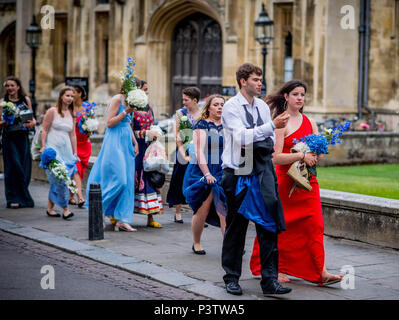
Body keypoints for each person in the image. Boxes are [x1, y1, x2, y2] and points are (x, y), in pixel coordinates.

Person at [249, 80, 344, 286]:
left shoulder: (311, 122)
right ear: (286, 97)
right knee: (280, 226)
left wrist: (315, 156)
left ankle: (321, 272)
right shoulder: (280, 122)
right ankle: (270, 266)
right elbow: (274, 157)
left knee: (315, 225)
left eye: (302, 94)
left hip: (308, 182)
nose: (300, 98)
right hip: (285, 182)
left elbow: (316, 152)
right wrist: (301, 155)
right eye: (295, 94)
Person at [220, 63, 291, 296]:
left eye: (260, 79)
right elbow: (241, 137)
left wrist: (265, 130)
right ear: (242, 81)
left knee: (268, 226)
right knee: (236, 228)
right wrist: (270, 126)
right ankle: (231, 278)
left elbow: (267, 139)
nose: (260, 83)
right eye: (255, 79)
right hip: (238, 172)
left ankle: (270, 281)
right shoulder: (231, 107)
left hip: (261, 171)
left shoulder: (261, 106)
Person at [86, 88, 139, 232]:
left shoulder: (132, 101)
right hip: (114, 141)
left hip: (126, 141)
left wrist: (135, 142)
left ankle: (123, 219)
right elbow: (109, 123)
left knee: (128, 183)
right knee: (120, 180)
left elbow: (128, 123)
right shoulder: (117, 99)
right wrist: (126, 111)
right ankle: (97, 210)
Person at [182, 94, 227, 255]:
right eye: (216, 104)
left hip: (222, 170)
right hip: (203, 170)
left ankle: (230, 246)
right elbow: (199, 152)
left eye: (222, 104)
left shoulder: (228, 125)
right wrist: (207, 173)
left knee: (224, 210)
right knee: (203, 209)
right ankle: (196, 242)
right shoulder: (202, 125)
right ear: (208, 107)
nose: (220, 107)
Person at [40, 87, 78, 220]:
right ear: (61, 96)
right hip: (53, 149)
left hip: (66, 150)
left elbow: (72, 135)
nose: (70, 98)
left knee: (58, 180)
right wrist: (44, 146)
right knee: (60, 178)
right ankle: (66, 210)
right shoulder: (52, 111)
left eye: (72, 96)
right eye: (68, 95)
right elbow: (44, 129)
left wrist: (75, 152)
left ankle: (50, 208)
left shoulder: (72, 114)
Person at [132, 79, 164, 228]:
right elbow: (128, 131)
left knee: (151, 179)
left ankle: (151, 218)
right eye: (145, 89)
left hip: (149, 150)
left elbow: (153, 124)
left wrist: (155, 132)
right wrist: (144, 133)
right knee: (134, 181)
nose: (147, 92)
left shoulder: (149, 108)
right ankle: (120, 216)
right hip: (136, 149)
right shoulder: (130, 109)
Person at [0, 76, 36, 209]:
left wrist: (31, 124)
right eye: (7, 86)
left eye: (12, 85)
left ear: (18, 87)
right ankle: (12, 198)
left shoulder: (25, 100)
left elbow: (32, 120)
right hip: (9, 137)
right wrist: (6, 121)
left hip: (22, 137)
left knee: (24, 167)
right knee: (12, 167)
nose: (10, 88)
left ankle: (24, 197)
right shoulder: (3, 102)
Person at [166, 87, 201, 223]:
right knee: (178, 178)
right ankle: (178, 211)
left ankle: (197, 214)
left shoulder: (203, 114)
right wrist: (184, 155)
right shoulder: (180, 114)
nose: (184, 102)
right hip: (183, 150)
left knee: (198, 182)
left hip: (199, 151)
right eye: (183, 99)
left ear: (194, 100)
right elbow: (177, 136)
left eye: (186, 100)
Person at [69, 85, 90, 207]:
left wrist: (90, 128)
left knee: (79, 171)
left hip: (85, 143)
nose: (71, 95)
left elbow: (93, 124)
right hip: (73, 142)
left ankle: (71, 197)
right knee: (76, 169)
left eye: (73, 92)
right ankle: (80, 197)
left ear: (80, 94)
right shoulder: (68, 108)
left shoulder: (87, 108)